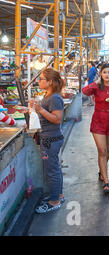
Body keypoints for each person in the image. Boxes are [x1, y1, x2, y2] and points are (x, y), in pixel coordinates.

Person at [82, 64, 109, 194]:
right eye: (104, 72)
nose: (107, 74)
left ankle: (102, 170)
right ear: (101, 74)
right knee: (102, 150)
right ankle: (106, 180)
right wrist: (96, 82)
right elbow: (84, 91)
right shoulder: (96, 87)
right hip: (98, 119)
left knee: (108, 149)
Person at [32, 68, 65, 214]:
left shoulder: (55, 98)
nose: (38, 81)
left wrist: (40, 110)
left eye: (41, 79)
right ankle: (58, 195)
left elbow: (57, 119)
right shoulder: (48, 95)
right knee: (55, 168)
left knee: (52, 170)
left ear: (50, 82)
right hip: (49, 138)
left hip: (51, 139)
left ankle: (54, 201)